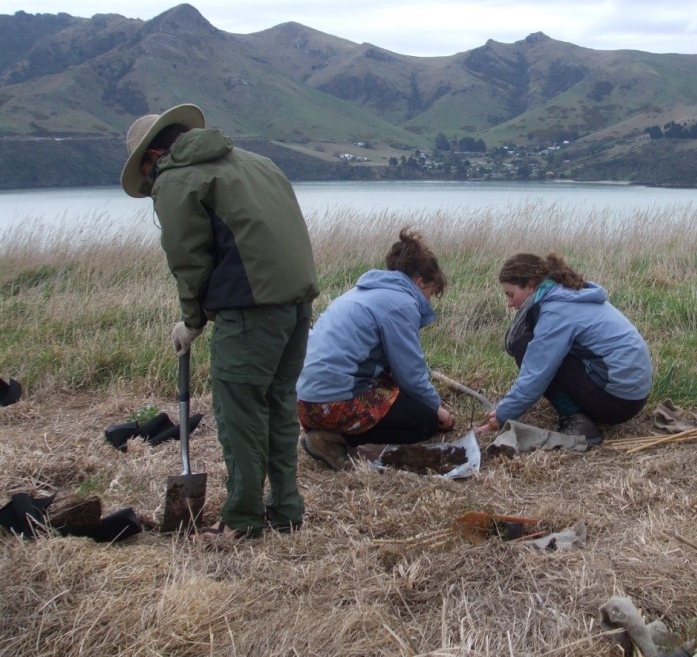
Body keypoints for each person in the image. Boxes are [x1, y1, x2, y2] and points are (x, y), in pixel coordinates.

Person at [121, 103, 319, 539]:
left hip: (249, 312)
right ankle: (286, 509)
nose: (151, 184)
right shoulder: (256, 163)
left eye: (147, 175)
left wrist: (191, 321)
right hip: (296, 307)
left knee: (240, 416)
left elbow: (187, 258)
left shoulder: (177, 178)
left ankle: (243, 520)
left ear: (153, 158)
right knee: (278, 407)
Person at [295, 228, 454, 469]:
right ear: (420, 280)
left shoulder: (365, 291)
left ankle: (325, 430)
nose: (428, 301)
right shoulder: (402, 304)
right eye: (431, 293)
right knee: (424, 421)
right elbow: (410, 374)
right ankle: (334, 438)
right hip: (333, 405)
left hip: (307, 404)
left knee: (394, 391)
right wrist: (436, 408)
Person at [474, 253, 652, 445]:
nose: (509, 303)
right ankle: (583, 406)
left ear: (531, 285)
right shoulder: (569, 294)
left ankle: (578, 421)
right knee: (541, 350)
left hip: (617, 401)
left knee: (524, 347)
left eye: (511, 294)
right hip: (634, 394)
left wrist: (501, 416)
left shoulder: (556, 310)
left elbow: (535, 376)